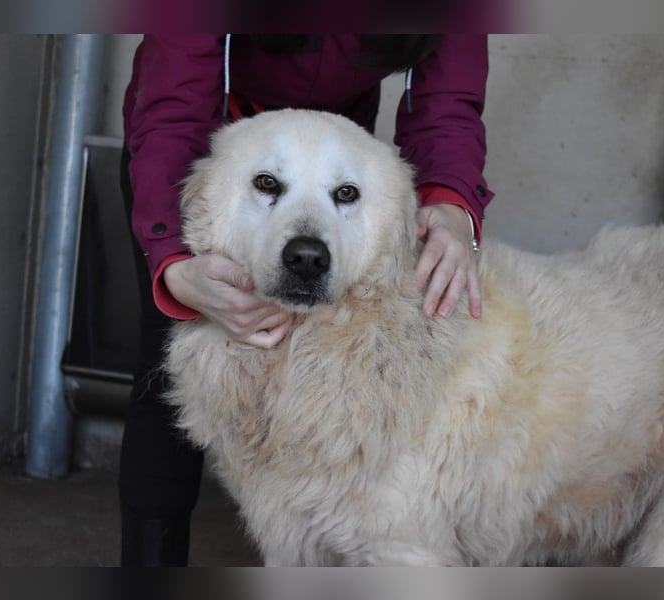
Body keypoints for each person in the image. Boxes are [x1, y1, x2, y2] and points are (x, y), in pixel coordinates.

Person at [119, 34, 493, 566]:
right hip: (207, 166)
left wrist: (452, 200)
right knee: (169, 375)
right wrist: (172, 262)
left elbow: (446, 102)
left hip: (336, 152)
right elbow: (173, 106)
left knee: (324, 386)